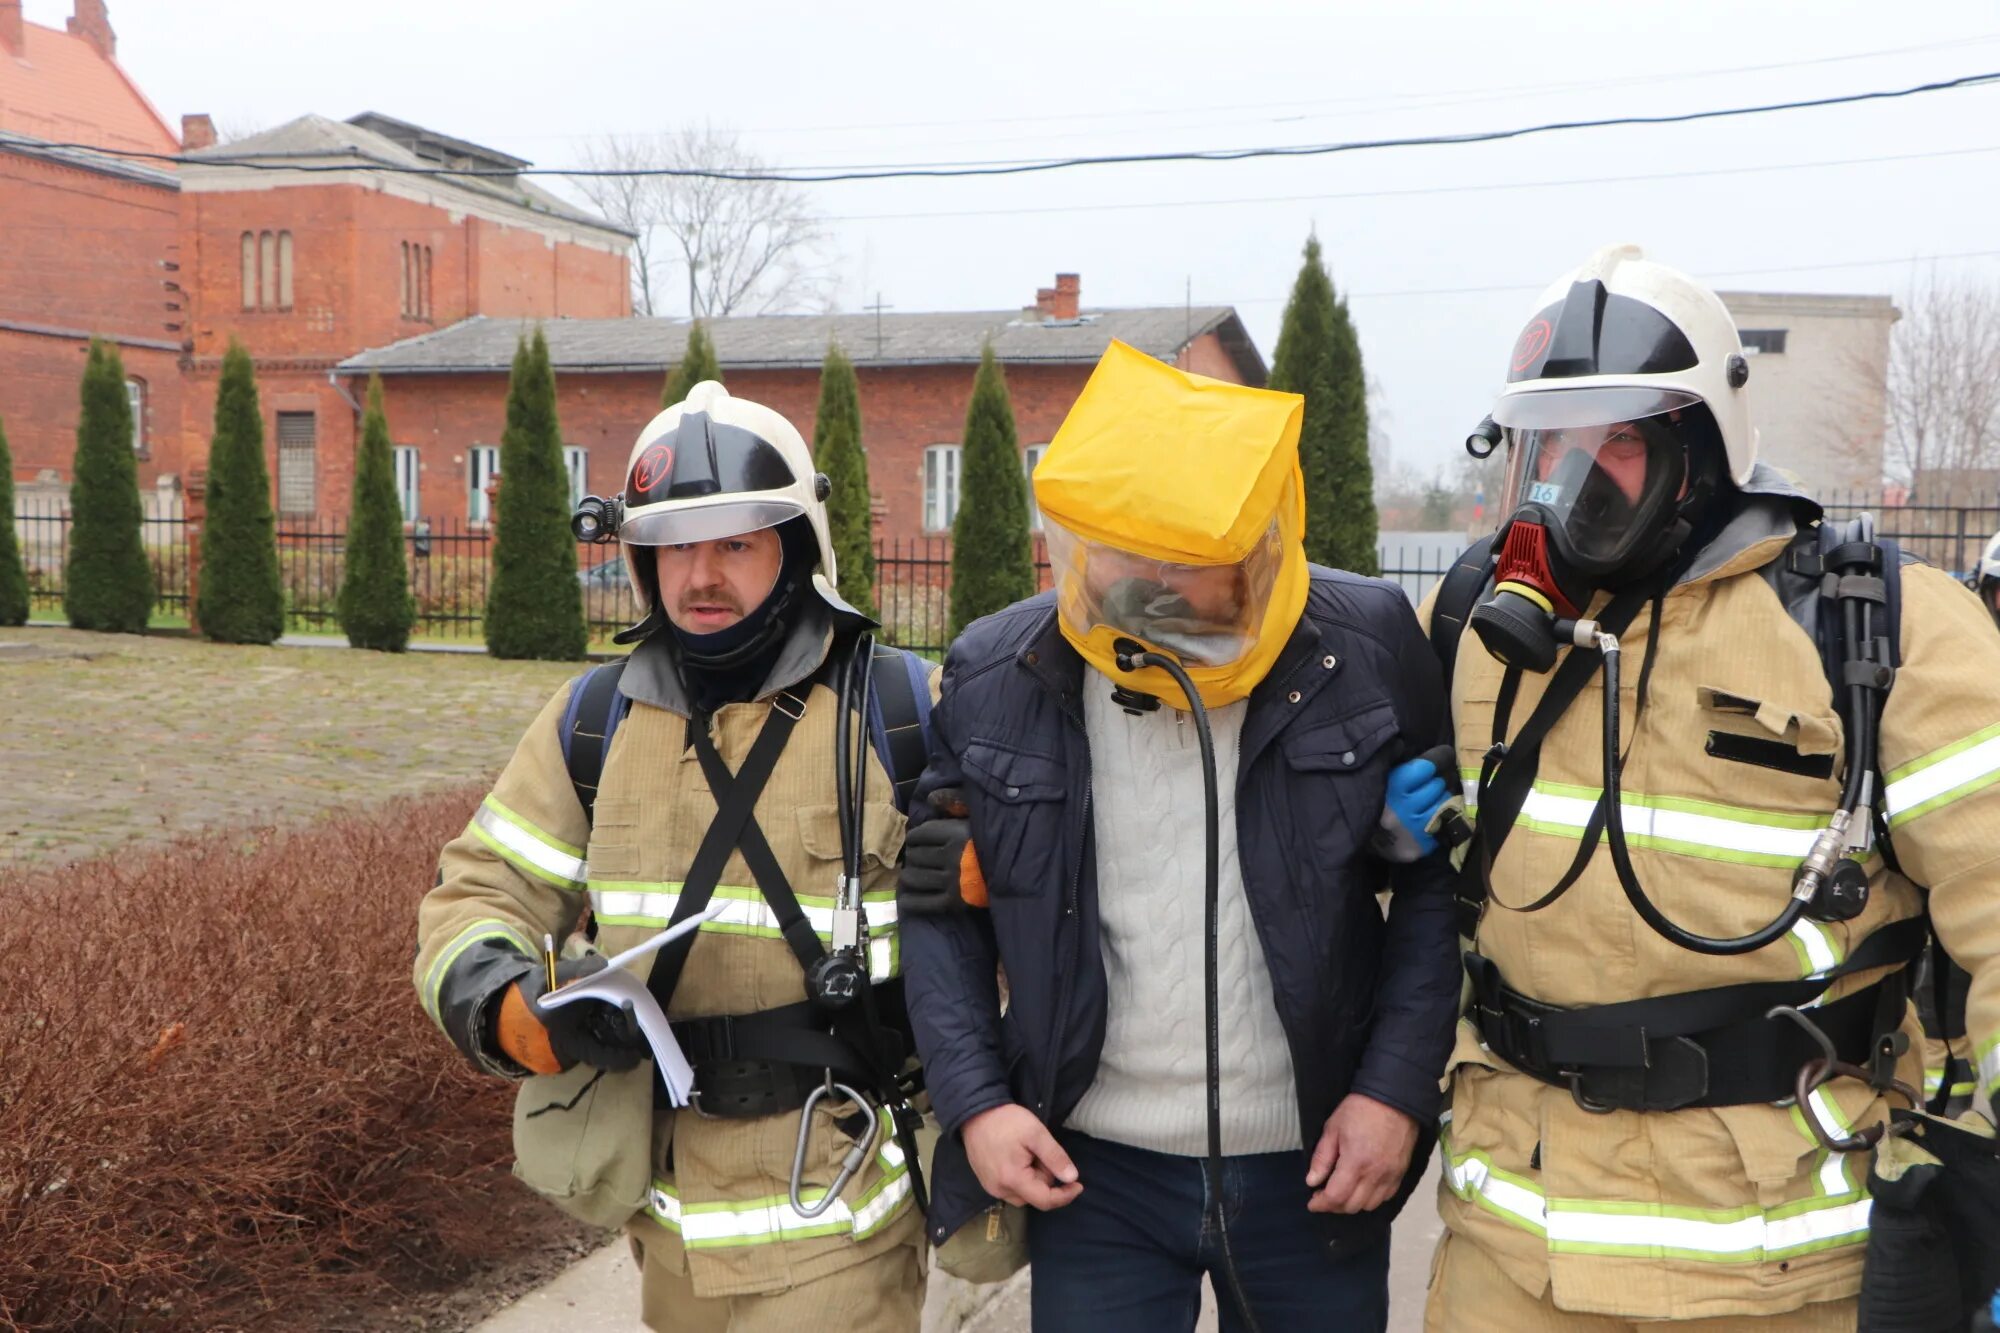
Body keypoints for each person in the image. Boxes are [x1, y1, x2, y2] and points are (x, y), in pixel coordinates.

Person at [1413, 244, 2000, 1328]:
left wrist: (1970, 1173)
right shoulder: (1474, 628)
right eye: (1544, 446)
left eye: (1614, 445)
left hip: (1780, 1267)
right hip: (1511, 1251)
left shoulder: (1883, 633)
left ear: (1699, 449)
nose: (1563, 485)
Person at [898, 341, 1461, 1332]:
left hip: (1313, 1160)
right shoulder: (997, 673)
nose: (1144, 589)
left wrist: (1395, 1092)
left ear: (1256, 546)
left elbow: (1432, 888)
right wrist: (977, 1100)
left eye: (1183, 562)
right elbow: (939, 910)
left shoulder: (1367, 646)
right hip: (1092, 1172)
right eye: (1116, 551)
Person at [413, 382, 934, 1332]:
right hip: (666, 1226)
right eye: (676, 546)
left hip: (839, 1212)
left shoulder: (900, 710)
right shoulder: (592, 722)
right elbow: (478, 891)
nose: (702, 575)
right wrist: (511, 1008)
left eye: (735, 543)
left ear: (797, 548)